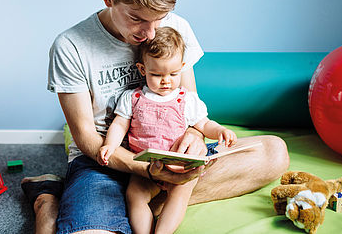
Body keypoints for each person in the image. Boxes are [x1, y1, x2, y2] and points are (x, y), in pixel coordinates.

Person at [21, 0, 289, 234]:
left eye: (159, 20)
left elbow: (189, 104)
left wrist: (194, 138)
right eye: (137, 19)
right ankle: (51, 203)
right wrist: (142, 169)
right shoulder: (70, 46)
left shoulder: (178, 28)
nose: (150, 34)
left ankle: (119, 206)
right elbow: (86, 139)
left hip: (168, 154)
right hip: (105, 163)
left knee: (274, 153)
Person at [98, 26, 238, 234]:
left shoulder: (186, 99)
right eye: (157, 74)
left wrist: (219, 131)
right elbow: (120, 124)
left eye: (173, 73)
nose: (166, 80)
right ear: (143, 69)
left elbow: (203, 123)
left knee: (179, 195)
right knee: (134, 196)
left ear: (181, 67)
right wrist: (110, 144)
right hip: (146, 165)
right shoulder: (133, 98)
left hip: (180, 164)